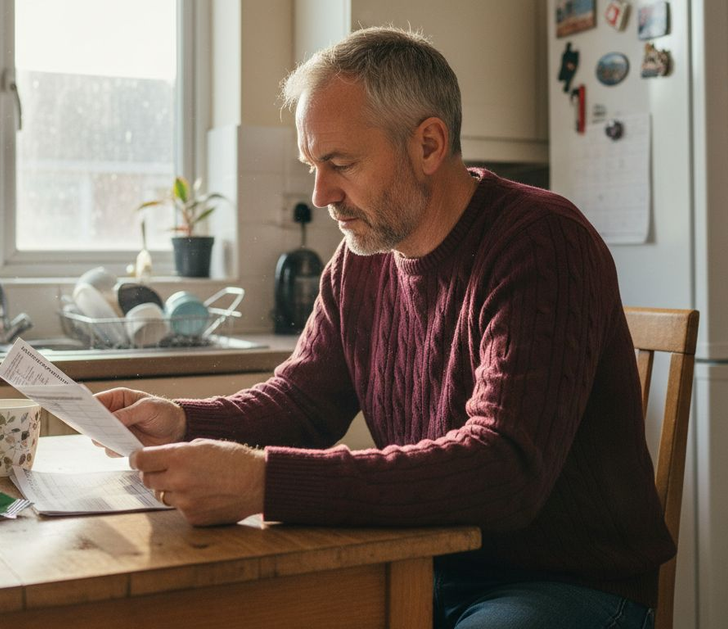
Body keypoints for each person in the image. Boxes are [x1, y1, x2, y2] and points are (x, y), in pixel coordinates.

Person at [95, 26, 675, 628]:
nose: (321, 194)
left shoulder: (540, 242)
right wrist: (183, 421)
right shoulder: (361, 260)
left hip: (561, 582)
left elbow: (505, 467)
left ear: (428, 145)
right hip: (417, 562)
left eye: (340, 163)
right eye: (312, 165)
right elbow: (303, 403)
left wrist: (266, 482)